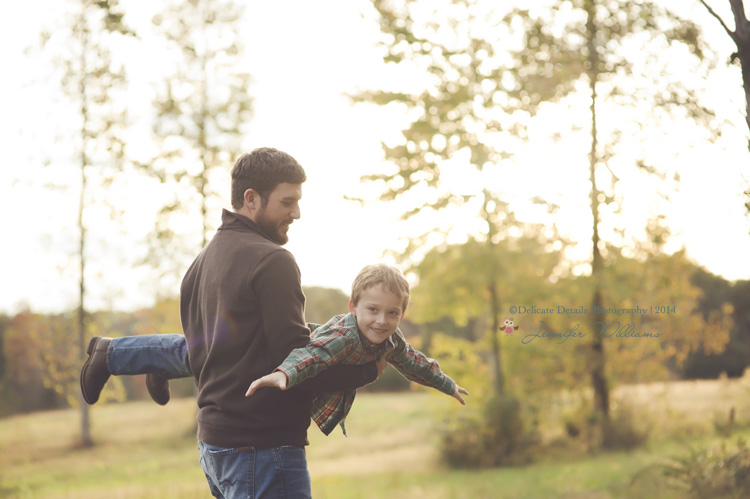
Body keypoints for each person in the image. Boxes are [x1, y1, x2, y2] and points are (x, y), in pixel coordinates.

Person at [81, 147, 383, 499]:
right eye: (287, 202)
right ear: (251, 199)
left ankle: (122, 357)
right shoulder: (274, 261)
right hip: (264, 449)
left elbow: (209, 349)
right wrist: (365, 370)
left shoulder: (202, 261)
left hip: (216, 448)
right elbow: (293, 362)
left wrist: (158, 364)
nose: (297, 213)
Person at [246, 263, 469, 436]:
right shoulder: (345, 336)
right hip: (285, 374)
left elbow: (414, 363)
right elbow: (313, 355)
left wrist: (447, 384)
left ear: (401, 315)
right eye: (373, 310)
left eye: (392, 313)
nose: (381, 321)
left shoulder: (392, 340)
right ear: (353, 307)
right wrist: (284, 373)